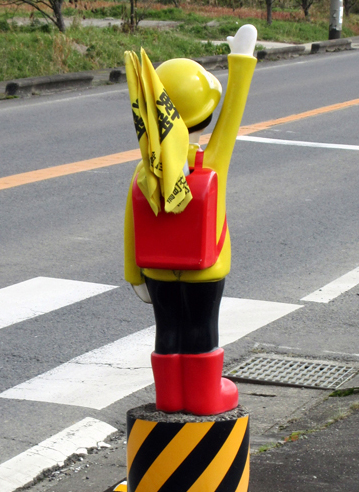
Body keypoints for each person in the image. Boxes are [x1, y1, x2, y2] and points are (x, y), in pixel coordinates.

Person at [123, 25, 258, 415]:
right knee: (201, 326)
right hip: (206, 264)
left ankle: (170, 397)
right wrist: (242, 59)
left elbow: (131, 223)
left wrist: (135, 276)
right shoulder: (212, 160)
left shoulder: (146, 169)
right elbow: (233, 114)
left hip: (157, 269)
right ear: (204, 113)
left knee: (167, 328)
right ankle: (204, 397)